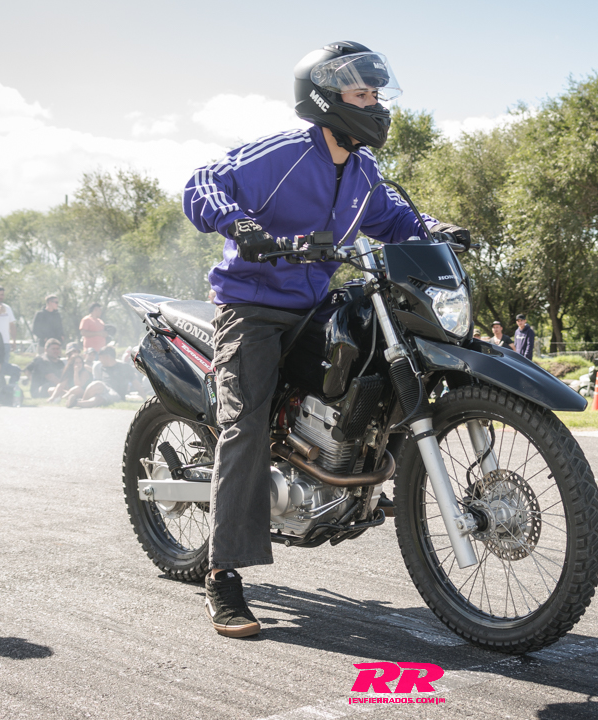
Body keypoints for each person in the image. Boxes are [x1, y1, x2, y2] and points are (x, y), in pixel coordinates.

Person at [182, 41, 469, 638]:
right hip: (252, 306)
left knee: (378, 358)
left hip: (314, 303)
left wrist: (436, 230)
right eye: (362, 94)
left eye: (376, 94)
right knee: (246, 423)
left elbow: (397, 220)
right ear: (325, 99)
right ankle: (222, 573)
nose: (376, 105)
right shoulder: (285, 153)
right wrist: (240, 224)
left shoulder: (364, 172)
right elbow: (203, 181)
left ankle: (354, 473)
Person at [70, 347, 134, 408]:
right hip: (105, 389)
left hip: (116, 394)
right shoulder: (100, 367)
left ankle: (76, 403)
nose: (99, 360)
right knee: (96, 384)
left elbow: (135, 382)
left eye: (100, 357)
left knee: (99, 398)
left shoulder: (124, 367)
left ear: (107, 357)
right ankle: (79, 401)